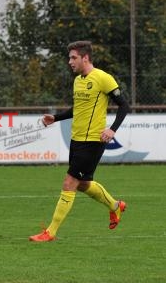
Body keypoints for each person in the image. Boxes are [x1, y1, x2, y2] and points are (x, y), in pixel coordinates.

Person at [29, 40, 130, 242]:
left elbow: (124, 105)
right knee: (83, 184)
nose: (70, 62)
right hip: (76, 140)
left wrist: (112, 129)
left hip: (93, 140)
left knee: (70, 182)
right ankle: (115, 206)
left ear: (85, 58)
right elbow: (78, 109)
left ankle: (50, 232)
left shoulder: (103, 78)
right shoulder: (78, 81)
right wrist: (55, 118)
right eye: (69, 57)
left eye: (73, 57)